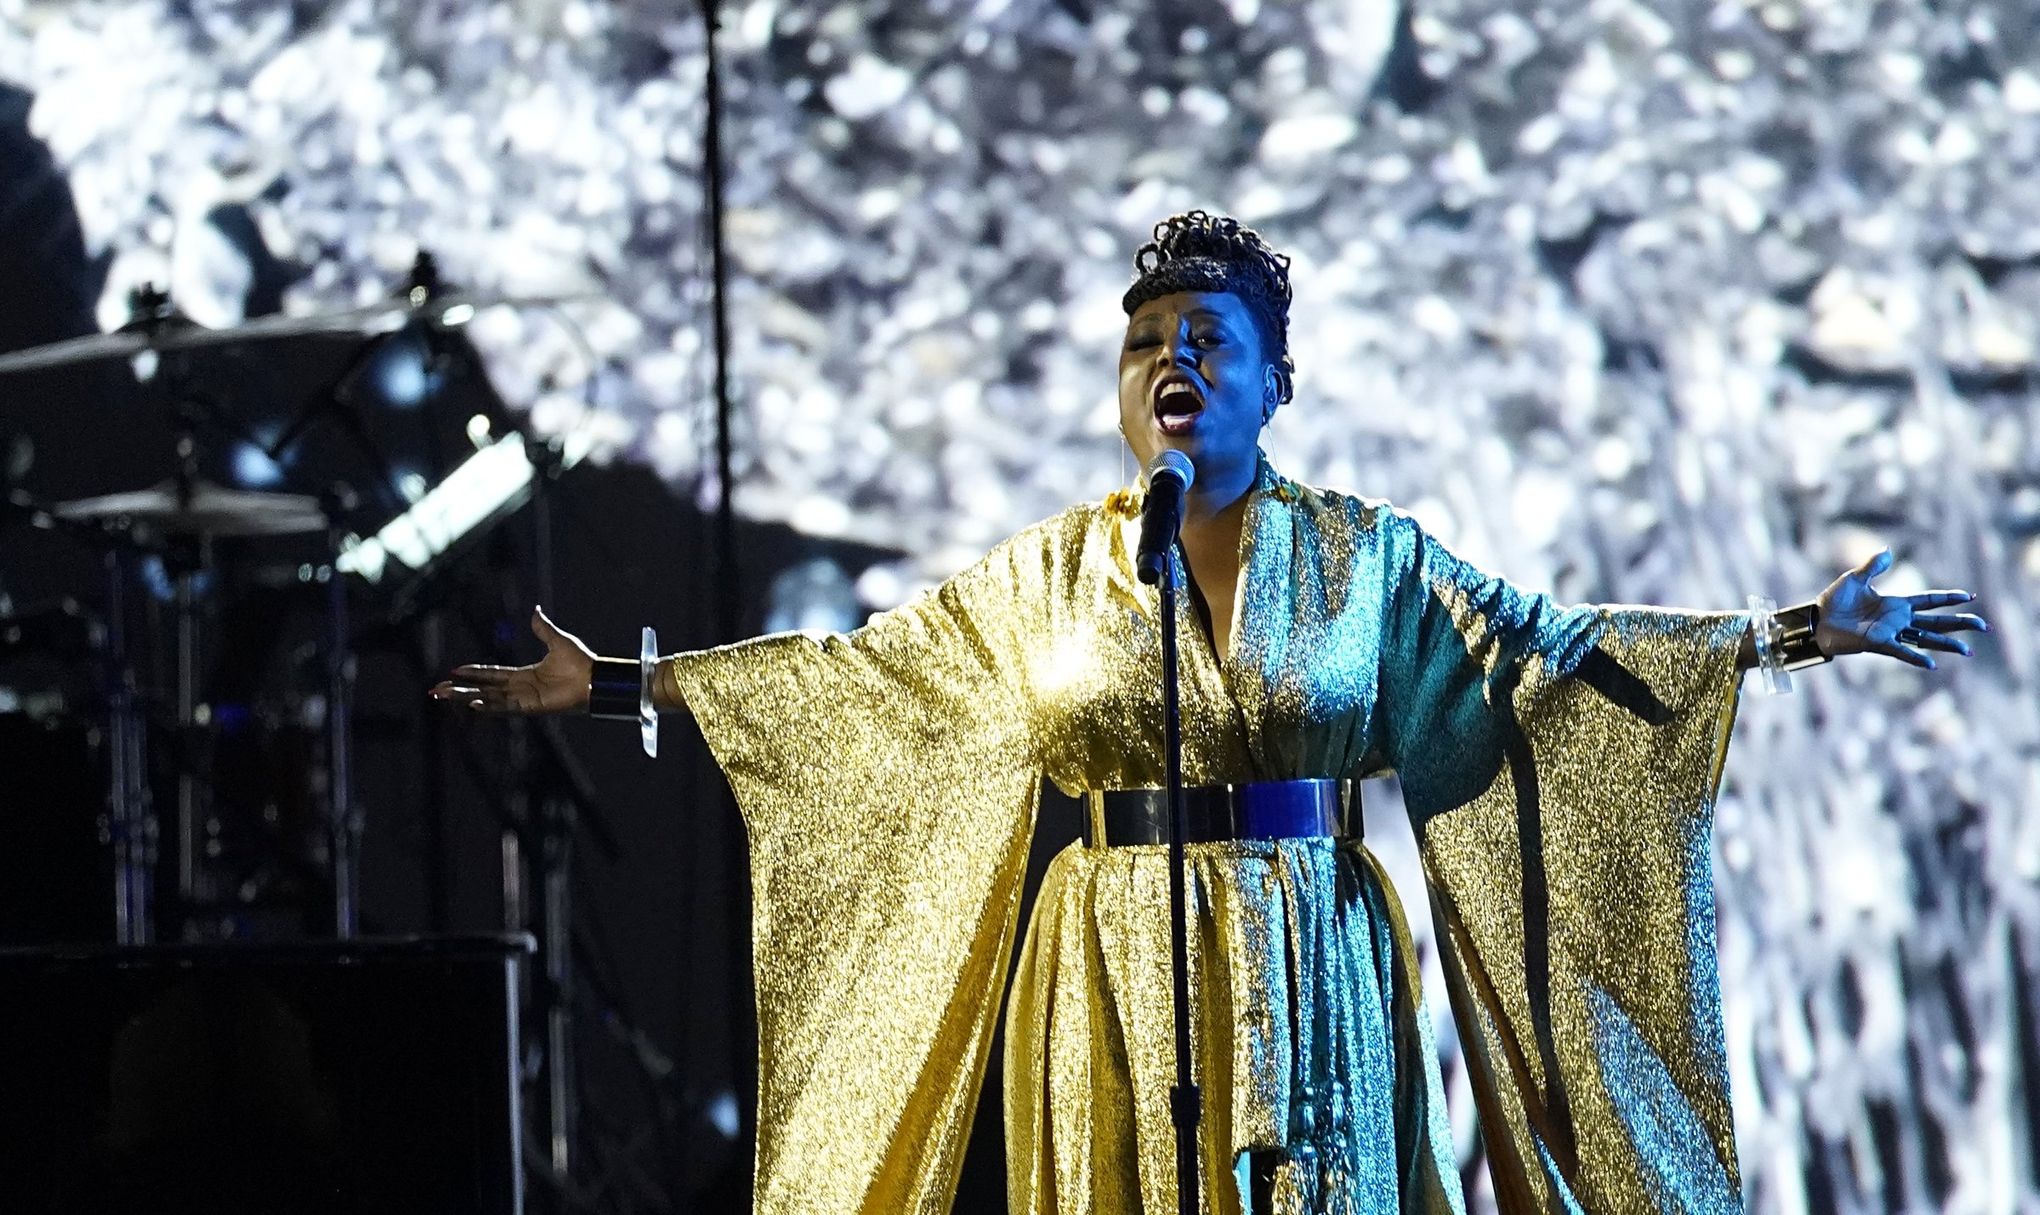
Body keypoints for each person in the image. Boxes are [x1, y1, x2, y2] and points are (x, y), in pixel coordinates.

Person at [432, 212, 1987, 1214]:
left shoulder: (1371, 560)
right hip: (1105, 961)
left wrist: (1787, 635)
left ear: (1274, 381)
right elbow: (871, 682)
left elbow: (1545, 666)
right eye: (1145, 347)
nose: (1172, 364)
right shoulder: (1053, 573)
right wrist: (627, 683)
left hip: (1310, 944)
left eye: (1208, 342)